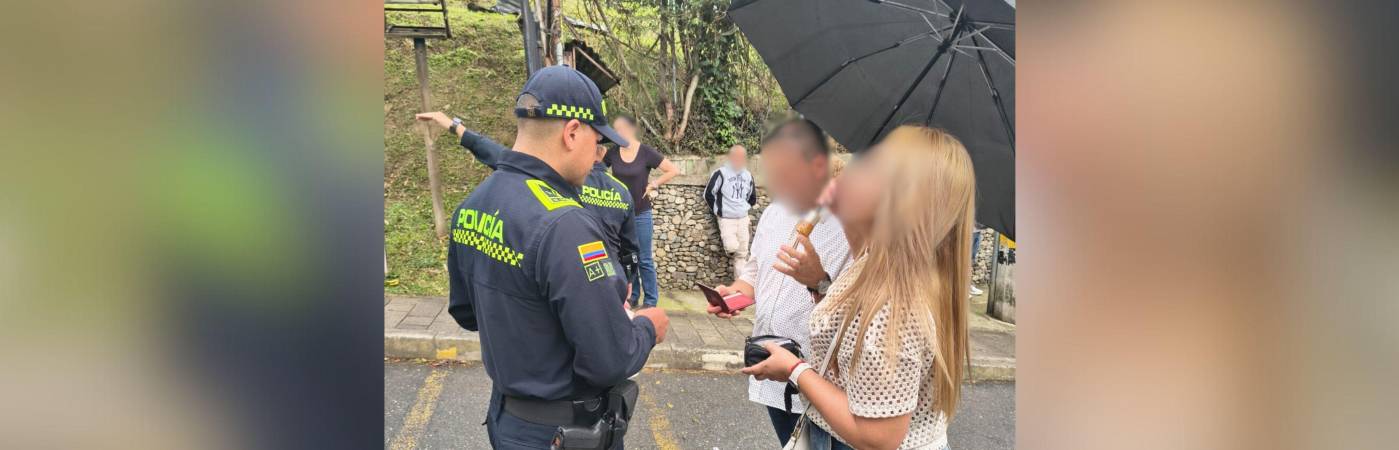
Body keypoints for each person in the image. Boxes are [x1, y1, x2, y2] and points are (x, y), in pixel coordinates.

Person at [437, 65, 670, 449]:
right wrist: (648, 327)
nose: (599, 156)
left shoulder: (474, 205)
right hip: (563, 432)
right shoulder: (568, 225)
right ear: (572, 132)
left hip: (508, 422)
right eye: (597, 140)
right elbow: (610, 357)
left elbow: (466, 313)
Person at [743, 126, 975, 450]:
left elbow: (878, 438)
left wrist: (795, 370)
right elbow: (854, 339)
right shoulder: (874, 261)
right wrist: (820, 283)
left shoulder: (897, 305)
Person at [705, 118, 852, 447]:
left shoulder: (851, 222)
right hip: (771, 367)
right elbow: (756, 273)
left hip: (822, 381)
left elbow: (861, 305)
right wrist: (736, 294)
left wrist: (819, 280)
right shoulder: (775, 212)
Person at [413, 114, 642, 305]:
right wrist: (630, 288)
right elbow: (630, 250)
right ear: (601, 152)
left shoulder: (556, 180)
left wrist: (454, 126)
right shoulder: (621, 191)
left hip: (562, 283)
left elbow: (495, 153)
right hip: (607, 284)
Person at [603, 116, 681, 309]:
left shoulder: (645, 152)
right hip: (620, 215)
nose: (618, 133)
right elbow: (597, 171)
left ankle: (651, 301)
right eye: (615, 130)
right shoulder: (612, 153)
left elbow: (673, 170)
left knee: (644, 259)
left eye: (621, 129)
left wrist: (654, 183)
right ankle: (633, 296)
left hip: (641, 214)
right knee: (628, 258)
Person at [704, 144, 758, 279]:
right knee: (732, 247)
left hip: (743, 218)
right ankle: (732, 253)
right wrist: (718, 211)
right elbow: (708, 194)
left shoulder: (748, 175)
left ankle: (739, 284)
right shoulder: (720, 173)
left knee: (742, 254)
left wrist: (743, 208)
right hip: (727, 218)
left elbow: (752, 197)